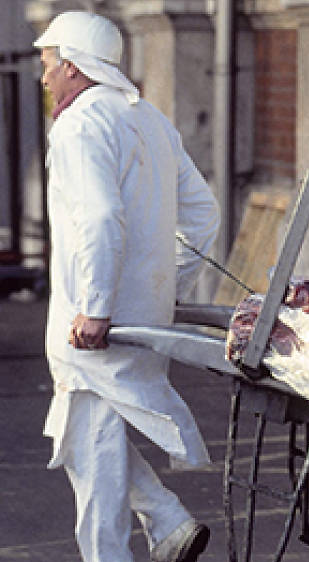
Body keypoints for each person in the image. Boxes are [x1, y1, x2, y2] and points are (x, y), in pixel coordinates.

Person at [34, 10, 220, 562]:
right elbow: (204, 216)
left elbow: (98, 218)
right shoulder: (150, 119)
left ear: (72, 67)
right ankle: (167, 520)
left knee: (91, 455)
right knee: (83, 435)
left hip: (93, 321)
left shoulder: (79, 125)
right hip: (140, 314)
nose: (44, 78)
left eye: (48, 65)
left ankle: (142, 537)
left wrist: (96, 307)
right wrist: (163, 284)